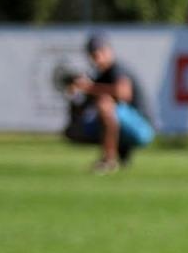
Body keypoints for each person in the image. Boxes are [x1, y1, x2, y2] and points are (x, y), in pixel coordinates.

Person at [64, 33, 155, 174]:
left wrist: (88, 87)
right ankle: (121, 151)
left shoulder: (117, 69)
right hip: (123, 123)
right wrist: (75, 95)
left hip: (141, 127)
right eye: (93, 55)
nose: (97, 58)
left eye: (100, 53)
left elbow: (123, 93)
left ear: (109, 51)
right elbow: (82, 108)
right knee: (74, 130)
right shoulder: (99, 76)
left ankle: (109, 160)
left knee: (105, 104)